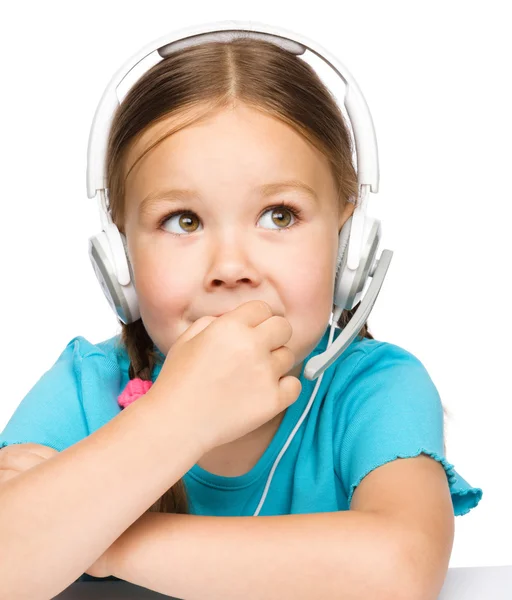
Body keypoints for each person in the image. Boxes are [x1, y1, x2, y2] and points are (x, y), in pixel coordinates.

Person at [0, 33, 482, 596]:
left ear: (348, 248)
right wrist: (179, 417)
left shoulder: (373, 389)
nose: (231, 267)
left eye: (279, 215)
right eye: (183, 220)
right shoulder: (87, 386)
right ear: (120, 256)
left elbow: (399, 571)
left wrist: (96, 537)